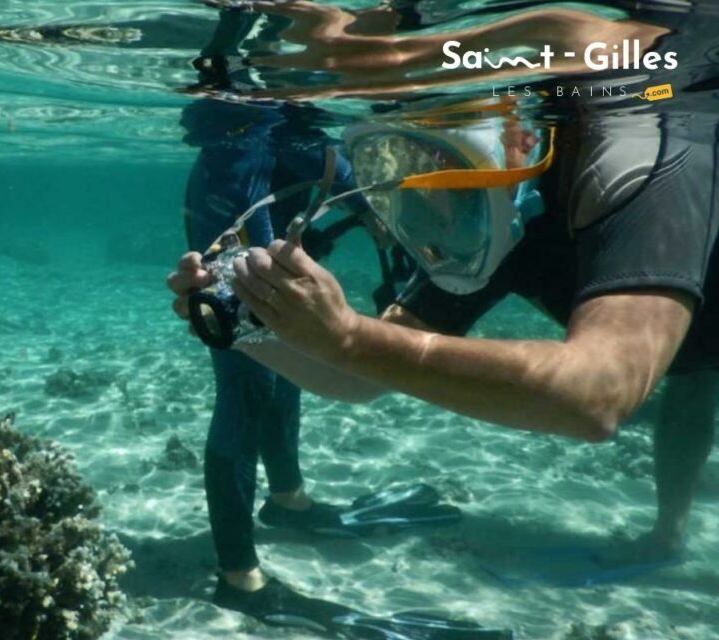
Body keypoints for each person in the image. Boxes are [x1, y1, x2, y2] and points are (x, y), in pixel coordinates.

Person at [170, 0, 718, 586]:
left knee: (697, 373)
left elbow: (598, 394)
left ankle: (669, 531)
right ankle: (668, 532)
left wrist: (349, 335)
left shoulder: (646, 152)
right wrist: (246, 325)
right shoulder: (489, 213)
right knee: (694, 374)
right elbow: (357, 377)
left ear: (514, 133)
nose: (428, 201)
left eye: (436, 158)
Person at [177, 5, 463, 630]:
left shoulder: (297, 92)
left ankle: (288, 502)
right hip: (236, 212)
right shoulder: (245, 93)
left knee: (294, 355)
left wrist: (368, 207)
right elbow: (255, 169)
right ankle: (239, 579)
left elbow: (312, 153)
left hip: (266, 201)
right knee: (246, 380)